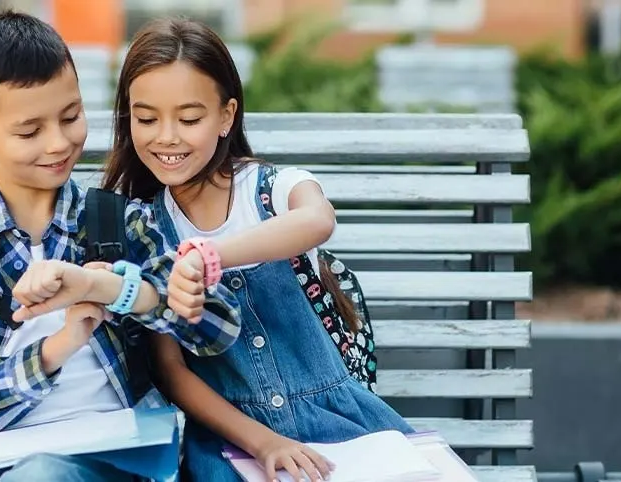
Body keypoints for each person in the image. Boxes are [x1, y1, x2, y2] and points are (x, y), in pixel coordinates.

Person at [0, 11, 242, 482]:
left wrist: (113, 289)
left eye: (72, 117)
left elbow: (218, 327)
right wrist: (56, 349)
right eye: (30, 131)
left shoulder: (118, 223)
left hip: (117, 458)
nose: (60, 143)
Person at [100, 17, 415, 482]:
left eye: (189, 119)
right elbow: (172, 371)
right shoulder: (144, 228)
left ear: (226, 116)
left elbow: (317, 219)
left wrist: (210, 257)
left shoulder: (269, 189)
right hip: (231, 441)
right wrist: (263, 442)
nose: (166, 136)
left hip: (339, 426)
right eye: (146, 118)